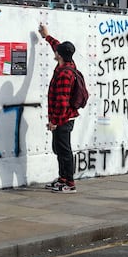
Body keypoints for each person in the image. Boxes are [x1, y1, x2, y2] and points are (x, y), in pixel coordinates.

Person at [38, 23, 79, 193]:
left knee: (64, 150)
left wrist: (54, 122)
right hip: (63, 118)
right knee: (58, 149)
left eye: (57, 52)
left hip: (64, 118)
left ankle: (69, 183)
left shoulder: (65, 74)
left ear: (59, 56)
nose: (55, 52)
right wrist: (46, 36)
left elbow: (62, 102)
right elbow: (58, 46)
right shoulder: (68, 63)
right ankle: (62, 178)